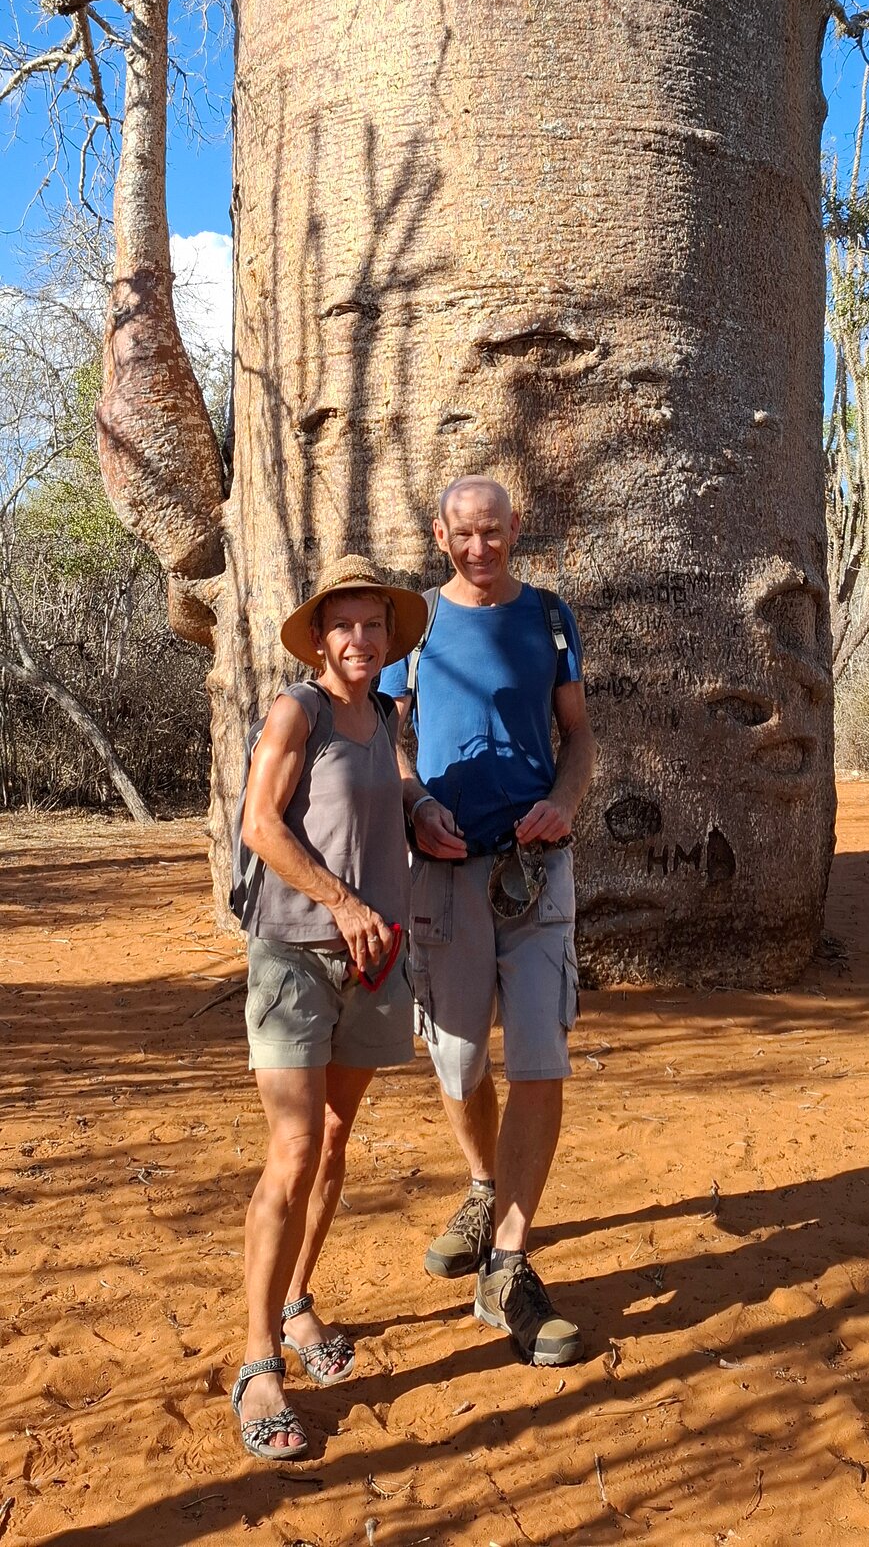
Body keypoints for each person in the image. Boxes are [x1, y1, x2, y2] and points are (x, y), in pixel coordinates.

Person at [380, 476, 596, 1367]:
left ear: (517, 528)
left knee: (540, 1057)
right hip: (443, 877)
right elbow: (388, 738)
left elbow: (577, 735)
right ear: (440, 533)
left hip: (536, 873)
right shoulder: (414, 627)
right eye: (463, 533)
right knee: (459, 1059)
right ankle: (480, 1183)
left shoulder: (549, 618)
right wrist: (414, 802)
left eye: (493, 532)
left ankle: (507, 1263)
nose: (479, 547)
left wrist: (565, 801)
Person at [231, 555, 428, 1461]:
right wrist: (341, 902)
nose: (359, 640)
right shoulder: (296, 710)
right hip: (297, 956)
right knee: (296, 1148)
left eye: (373, 626)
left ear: (390, 639)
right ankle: (257, 1358)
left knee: (339, 1142)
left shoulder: (385, 715)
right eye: (343, 625)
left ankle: (299, 1302)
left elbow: (393, 790)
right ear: (319, 638)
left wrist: (424, 811)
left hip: (375, 958)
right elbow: (260, 825)